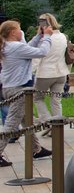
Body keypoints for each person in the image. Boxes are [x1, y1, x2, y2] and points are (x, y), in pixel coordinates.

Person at [0, 20, 53, 167]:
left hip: (9, 88)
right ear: (12, 32)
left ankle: (36, 149)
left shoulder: (8, 46)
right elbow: (42, 52)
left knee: (27, 121)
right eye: (19, 29)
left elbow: (27, 48)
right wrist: (47, 36)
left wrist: (38, 37)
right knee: (11, 124)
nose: (21, 31)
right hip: (19, 89)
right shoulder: (16, 47)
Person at [32, 13, 71, 137]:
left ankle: (48, 122)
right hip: (61, 72)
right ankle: (57, 126)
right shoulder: (63, 36)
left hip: (45, 73)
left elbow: (38, 57)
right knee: (56, 100)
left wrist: (31, 71)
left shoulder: (45, 38)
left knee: (37, 98)